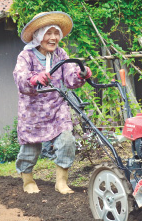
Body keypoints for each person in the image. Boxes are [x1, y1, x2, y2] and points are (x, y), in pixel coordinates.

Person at [13, 11, 91, 194]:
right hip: (32, 110)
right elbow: (20, 77)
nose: (53, 38)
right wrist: (34, 78)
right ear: (39, 35)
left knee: (67, 140)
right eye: (48, 33)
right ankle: (28, 181)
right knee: (30, 149)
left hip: (57, 108)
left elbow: (70, 79)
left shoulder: (61, 54)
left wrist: (80, 74)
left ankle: (61, 182)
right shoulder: (26, 56)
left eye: (56, 33)